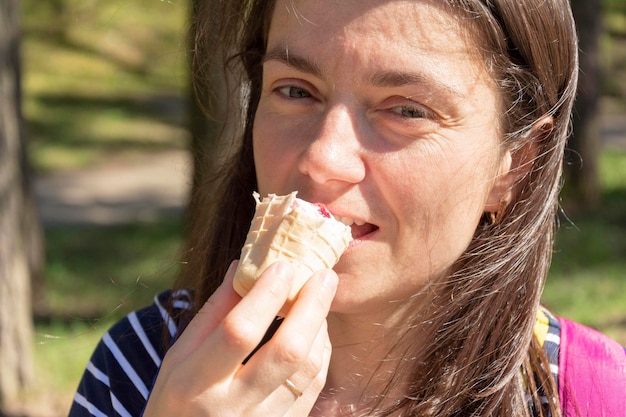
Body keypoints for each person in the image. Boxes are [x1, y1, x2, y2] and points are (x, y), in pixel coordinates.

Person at [68, 0, 626, 416]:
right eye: (295, 90)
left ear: (515, 164)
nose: (321, 160)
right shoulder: (144, 364)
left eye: (406, 109)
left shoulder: (591, 394)